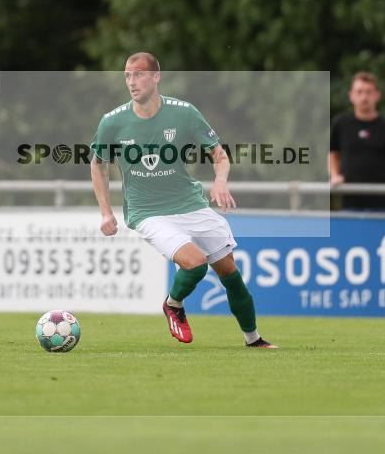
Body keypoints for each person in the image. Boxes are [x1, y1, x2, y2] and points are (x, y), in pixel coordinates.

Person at [90, 52, 277, 348]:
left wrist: (219, 182)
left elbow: (219, 155)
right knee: (196, 264)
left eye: (138, 74)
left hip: (190, 204)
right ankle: (173, 304)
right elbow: (98, 164)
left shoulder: (184, 112)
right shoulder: (112, 122)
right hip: (148, 211)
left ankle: (253, 340)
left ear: (156, 76)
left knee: (230, 274)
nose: (132, 81)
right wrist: (105, 212)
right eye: (127, 75)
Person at [329, 72, 385, 214]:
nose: (364, 97)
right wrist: (334, 174)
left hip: (382, 204)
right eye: (359, 92)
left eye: (369, 92)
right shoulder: (341, 124)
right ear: (351, 95)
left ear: (377, 95)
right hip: (349, 203)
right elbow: (333, 154)